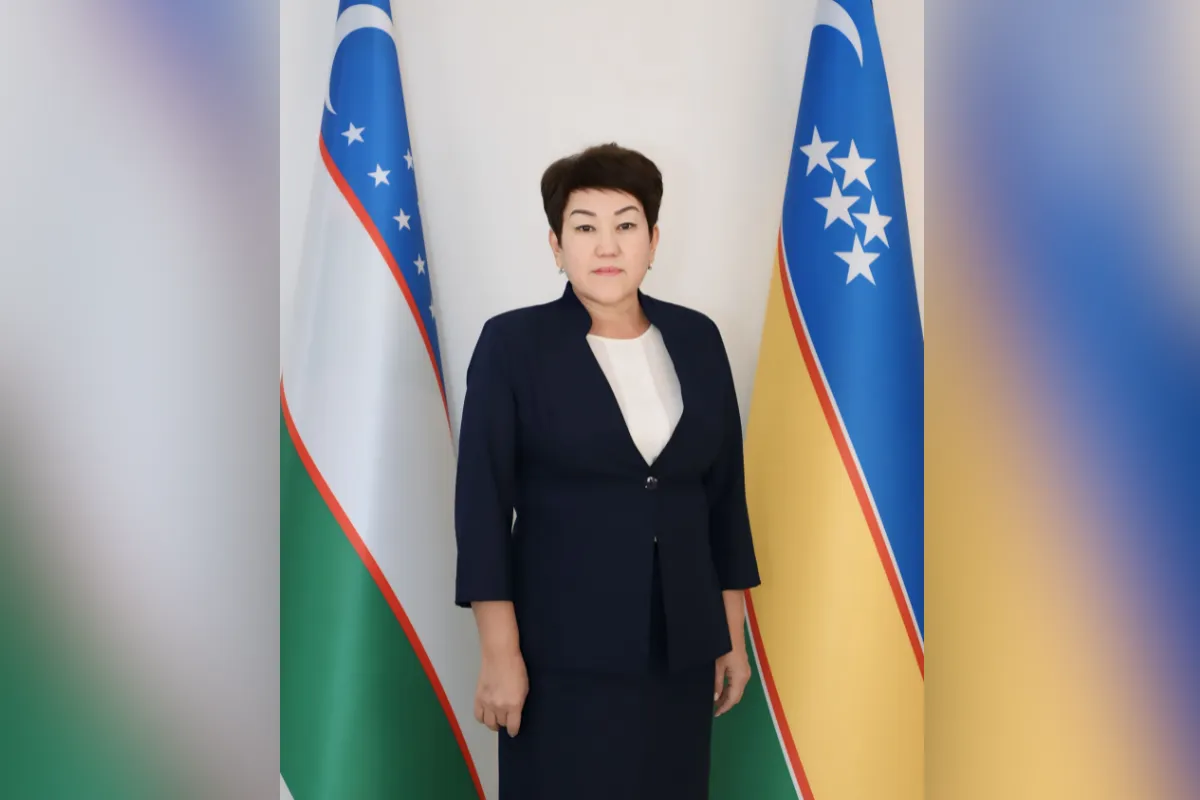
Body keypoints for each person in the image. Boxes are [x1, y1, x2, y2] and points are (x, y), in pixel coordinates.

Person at [454, 142, 761, 799]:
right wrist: (500, 653)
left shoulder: (699, 338)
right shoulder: (513, 344)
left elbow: (724, 498)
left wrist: (730, 634)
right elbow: (482, 507)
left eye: (625, 225)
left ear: (653, 240)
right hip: (559, 652)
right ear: (556, 244)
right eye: (584, 227)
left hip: (681, 649)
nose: (607, 245)